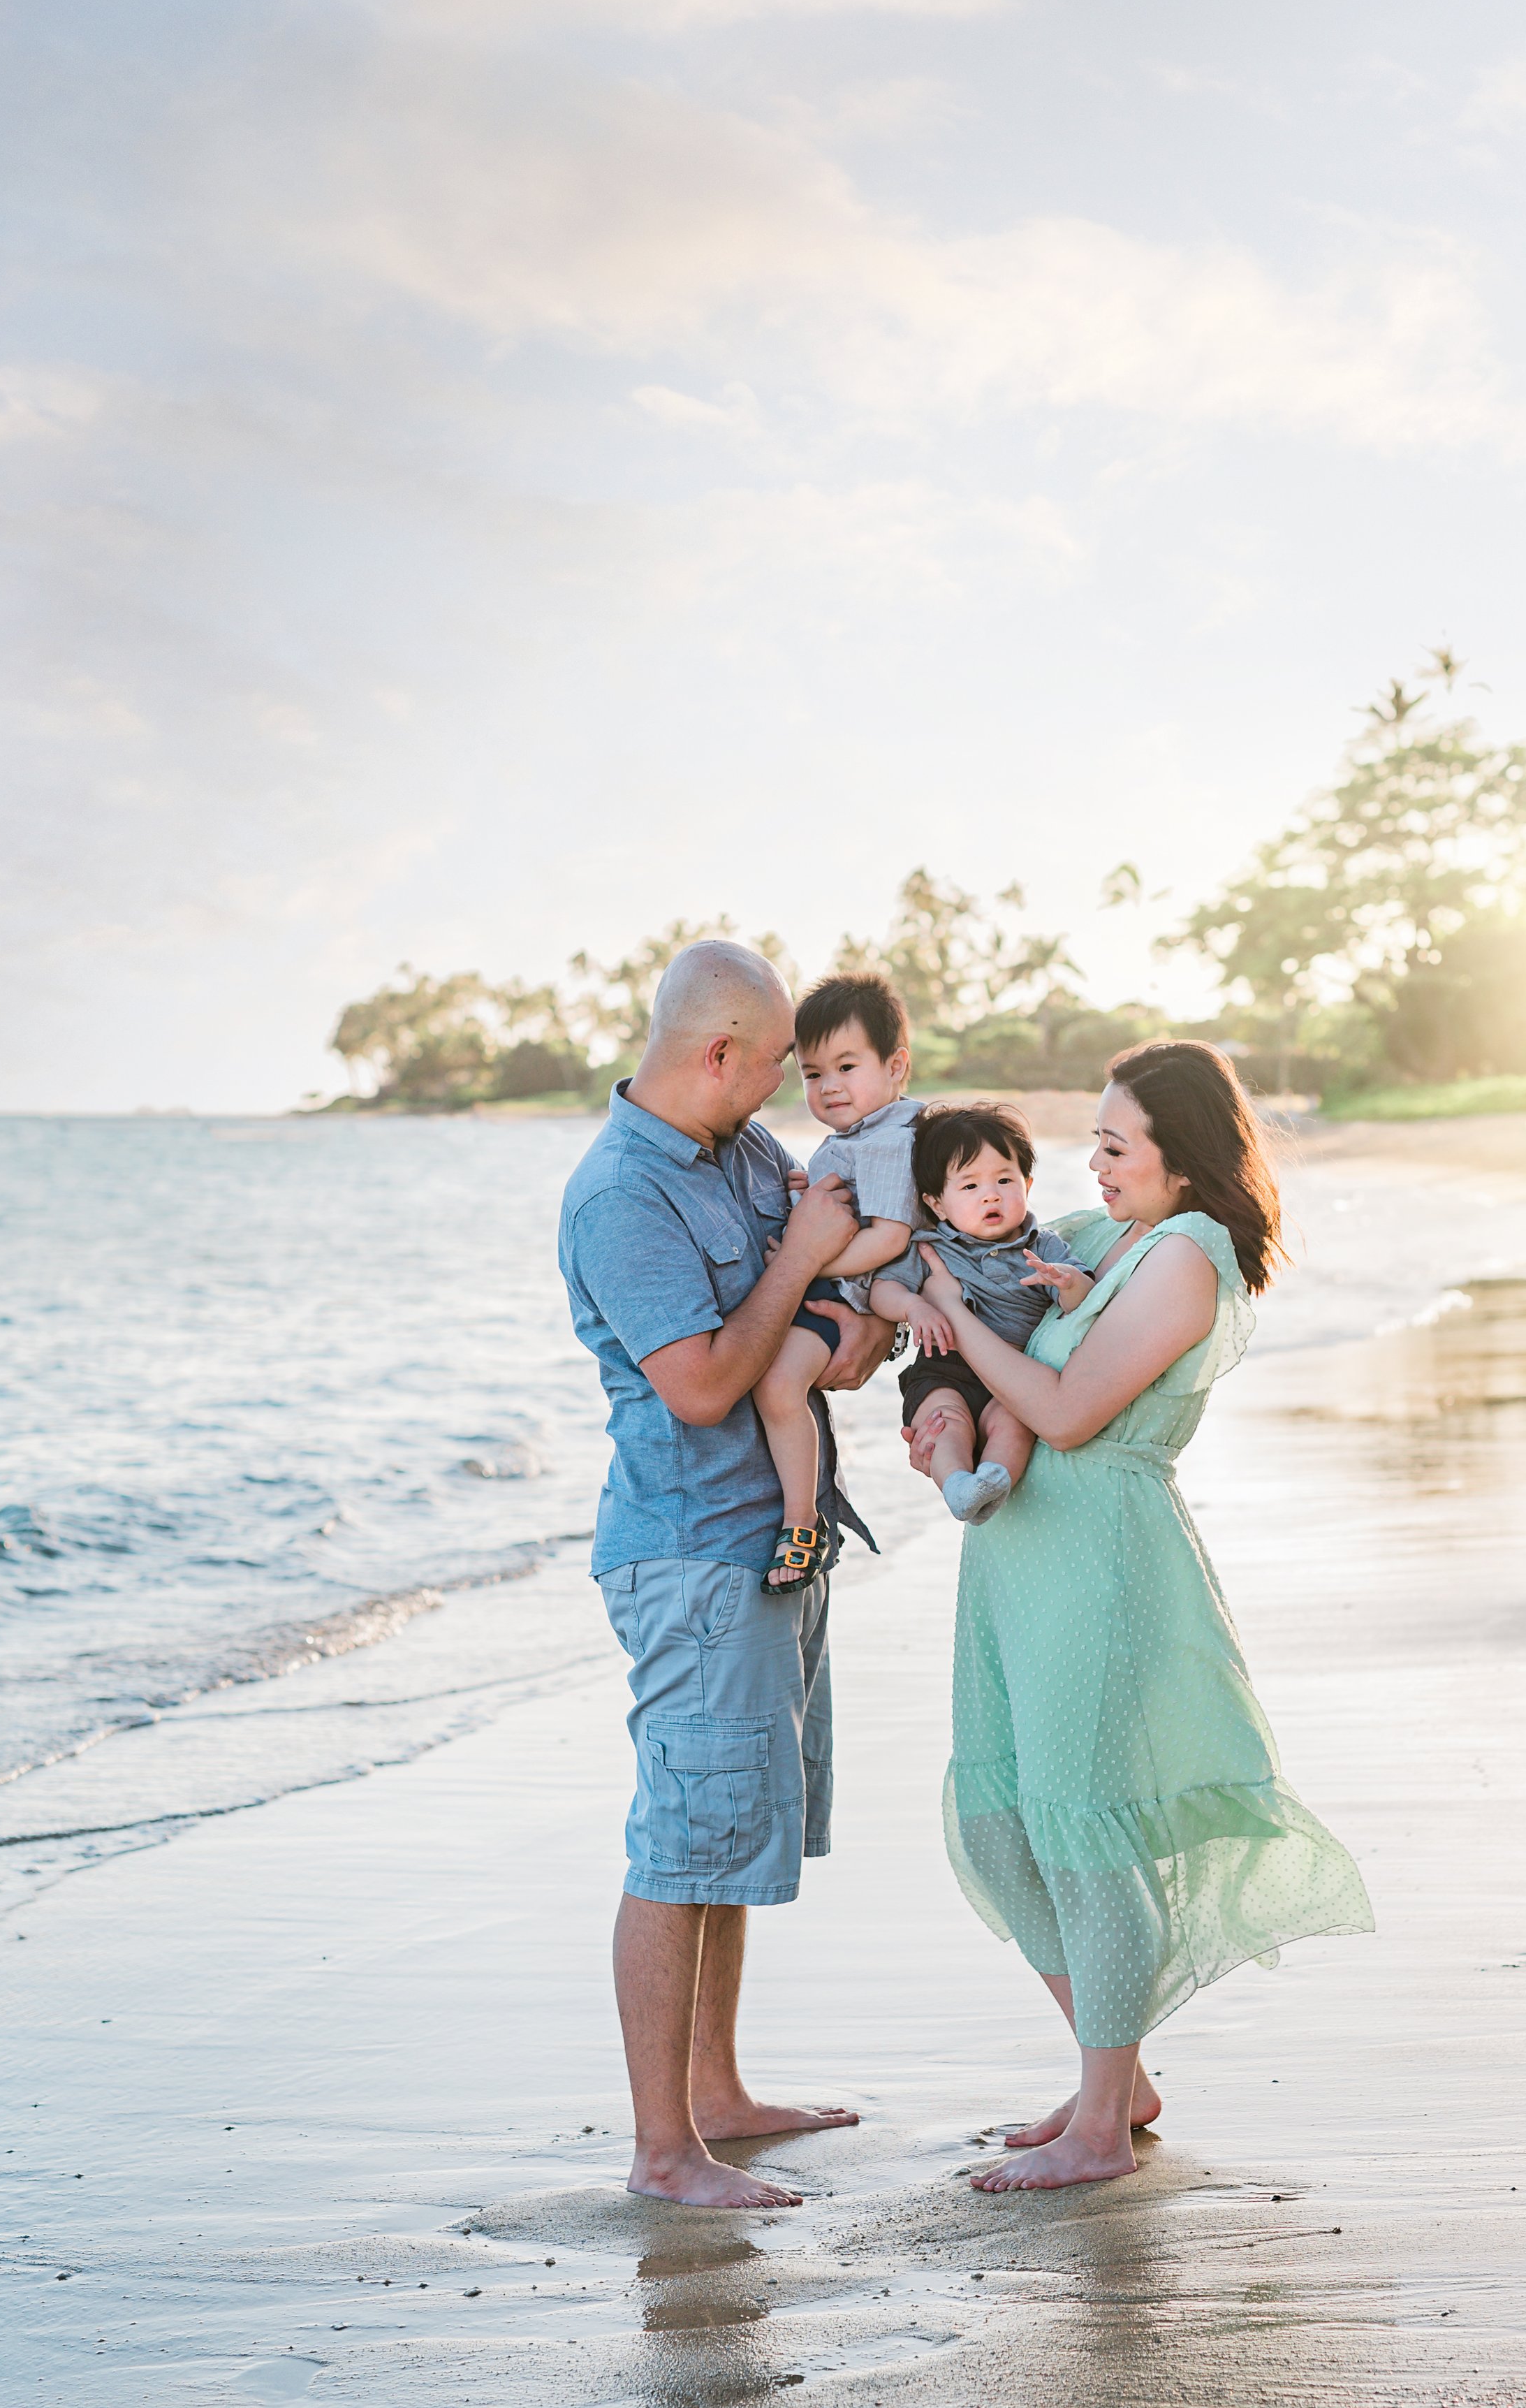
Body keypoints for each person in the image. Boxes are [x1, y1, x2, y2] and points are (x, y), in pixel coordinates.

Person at [907, 1041, 1374, 2192]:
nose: (1094, 1162)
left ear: (1182, 1157)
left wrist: (955, 1329)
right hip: (1017, 1563)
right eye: (1095, 1141)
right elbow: (962, 1226)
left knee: (1082, 1832)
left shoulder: (1186, 1258)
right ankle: (1114, 2075)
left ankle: (1103, 2124)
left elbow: (1065, 1409)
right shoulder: (1103, 1236)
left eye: (1118, 1143)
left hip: (1099, 1566)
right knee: (1007, 1825)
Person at [557, 940, 896, 2208]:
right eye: (770, 1067)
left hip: (777, 1539)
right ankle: (662, 2151)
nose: (784, 1092)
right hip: (691, 1549)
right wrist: (804, 1277)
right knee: (680, 1837)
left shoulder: (744, 1156)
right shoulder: (619, 1197)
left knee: (733, 1828)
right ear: (717, 1053)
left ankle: (718, 2094)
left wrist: (811, 1300)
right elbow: (702, 1386)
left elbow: (848, 1343)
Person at [752, 973, 924, 1589]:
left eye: (847, 1066)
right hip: (846, 1287)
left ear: (896, 1064)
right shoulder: (866, 1134)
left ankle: (802, 1525)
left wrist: (803, 1258)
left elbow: (890, 1237)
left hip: (849, 1291)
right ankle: (807, 1515)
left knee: (778, 1386)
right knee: (779, 1385)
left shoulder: (889, 1139)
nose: (829, 1087)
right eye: (812, 1073)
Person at [867, 1102, 1091, 1525]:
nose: (991, 1194)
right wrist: (914, 1306)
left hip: (1013, 1376)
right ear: (936, 1203)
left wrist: (1066, 1282)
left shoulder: (1042, 1247)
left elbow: (1082, 1298)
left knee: (1015, 1424)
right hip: (943, 1369)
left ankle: (994, 1479)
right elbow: (882, 1290)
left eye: (1005, 1180)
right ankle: (958, 1487)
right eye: (969, 1187)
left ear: (1027, 1184)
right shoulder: (931, 1246)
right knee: (943, 1423)